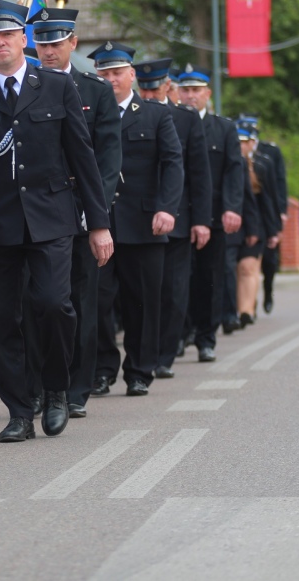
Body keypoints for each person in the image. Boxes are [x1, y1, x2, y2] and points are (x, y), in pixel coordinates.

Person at [0, 0, 113, 442]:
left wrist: (98, 224)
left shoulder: (57, 87)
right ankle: (19, 409)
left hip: (52, 218)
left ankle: (56, 389)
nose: (1, 42)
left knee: (54, 305)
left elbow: (83, 157)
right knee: (3, 319)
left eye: (8, 34)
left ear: (24, 39)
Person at [28, 1, 121, 418]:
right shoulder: (24, 84)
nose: (48, 50)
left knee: (80, 299)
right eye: (42, 42)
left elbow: (106, 158)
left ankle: (76, 386)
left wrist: (93, 210)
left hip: (80, 207)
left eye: (57, 42)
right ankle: (39, 384)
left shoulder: (95, 91)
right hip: (37, 209)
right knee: (39, 300)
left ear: (73, 43)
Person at [92, 52, 183, 396]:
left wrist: (167, 208)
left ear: (131, 74)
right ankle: (102, 368)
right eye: (104, 74)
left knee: (142, 301)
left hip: (144, 223)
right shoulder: (88, 112)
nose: (111, 80)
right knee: (97, 302)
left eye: (117, 73)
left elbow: (172, 163)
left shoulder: (155, 114)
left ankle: (140, 370)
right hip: (100, 222)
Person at [137, 63, 210, 379]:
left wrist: (202, 220)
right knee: (143, 292)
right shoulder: (130, 112)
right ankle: (145, 353)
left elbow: (198, 173)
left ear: (168, 86)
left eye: (155, 88)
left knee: (174, 291)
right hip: (138, 217)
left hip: (177, 218)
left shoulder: (186, 118)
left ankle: (164, 355)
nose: (150, 94)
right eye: (145, 89)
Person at [174, 66, 243, 363]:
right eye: (186, 90)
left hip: (213, 215)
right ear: (177, 92)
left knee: (209, 278)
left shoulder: (224, 128)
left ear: (207, 94)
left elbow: (233, 171)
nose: (190, 96)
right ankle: (178, 334)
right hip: (178, 213)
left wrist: (231, 207)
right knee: (178, 279)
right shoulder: (170, 123)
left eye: (196, 91)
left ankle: (206, 337)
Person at [241, 117, 288, 314]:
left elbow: (274, 191)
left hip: (263, 217)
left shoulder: (268, 156)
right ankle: (247, 306)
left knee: (268, 262)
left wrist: (277, 221)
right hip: (244, 220)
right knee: (247, 266)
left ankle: (268, 292)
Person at [235, 122, 280, 326]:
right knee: (236, 269)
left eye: (245, 142)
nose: (242, 146)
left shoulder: (262, 164)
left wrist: (273, 230)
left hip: (258, 221)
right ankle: (238, 308)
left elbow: (270, 198)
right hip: (235, 220)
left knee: (249, 266)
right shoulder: (231, 162)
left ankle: (247, 309)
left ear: (252, 143)